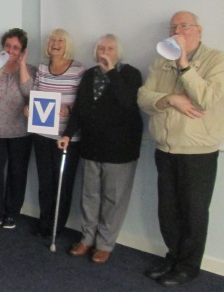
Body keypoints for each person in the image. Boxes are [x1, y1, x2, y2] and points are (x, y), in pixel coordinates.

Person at [138, 11, 224, 286]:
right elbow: (143, 98)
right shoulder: (159, 62)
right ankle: (174, 257)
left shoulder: (218, 60)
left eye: (184, 26)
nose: (178, 30)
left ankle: (188, 266)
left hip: (197, 152)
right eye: (173, 27)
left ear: (198, 31)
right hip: (165, 149)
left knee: (193, 211)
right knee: (167, 210)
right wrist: (171, 99)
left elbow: (206, 98)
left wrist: (184, 64)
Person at [58, 34, 143, 263]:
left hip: (120, 151)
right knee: (89, 196)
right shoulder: (88, 76)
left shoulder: (130, 74)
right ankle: (86, 239)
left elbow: (127, 102)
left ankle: (105, 244)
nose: (105, 51)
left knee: (113, 199)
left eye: (110, 48)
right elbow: (79, 110)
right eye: (101, 48)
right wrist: (67, 134)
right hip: (91, 146)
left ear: (118, 52)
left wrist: (112, 71)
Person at [25, 28, 85, 237]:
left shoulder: (78, 70)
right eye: (52, 40)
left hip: (67, 138)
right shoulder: (42, 66)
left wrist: (68, 110)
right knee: (45, 181)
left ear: (67, 45)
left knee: (63, 183)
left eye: (60, 40)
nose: (55, 43)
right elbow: (36, 94)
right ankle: (44, 221)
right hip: (42, 135)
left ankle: (56, 226)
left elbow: (82, 105)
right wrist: (29, 108)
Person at [0, 28, 35, 230]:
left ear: (22, 51)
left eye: (16, 48)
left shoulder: (30, 69)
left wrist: (21, 66)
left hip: (21, 133)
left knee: (17, 174)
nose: (11, 50)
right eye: (8, 46)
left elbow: (30, 92)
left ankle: (11, 213)